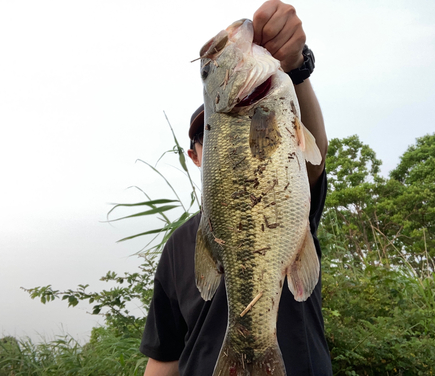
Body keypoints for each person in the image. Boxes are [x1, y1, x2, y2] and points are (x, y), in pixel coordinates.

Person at [140, 1, 331, 375]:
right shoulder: (180, 246)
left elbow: (314, 154)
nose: (210, 135)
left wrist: (297, 70)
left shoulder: (272, 127)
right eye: (204, 134)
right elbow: (163, 354)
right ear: (197, 156)